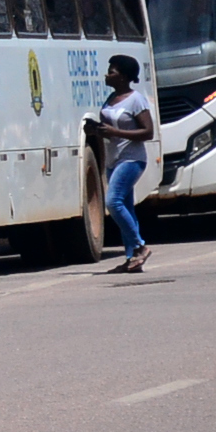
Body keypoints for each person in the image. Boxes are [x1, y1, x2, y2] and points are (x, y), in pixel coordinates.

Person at [90, 53, 155, 273]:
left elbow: (148, 132)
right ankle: (132, 259)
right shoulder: (111, 99)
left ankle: (140, 246)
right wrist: (96, 130)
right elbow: (111, 130)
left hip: (132, 159)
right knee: (126, 208)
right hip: (113, 159)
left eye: (112, 71)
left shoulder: (136, 100)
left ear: (123, 76)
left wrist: (115, 132)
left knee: (113, 202)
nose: (107, 75)